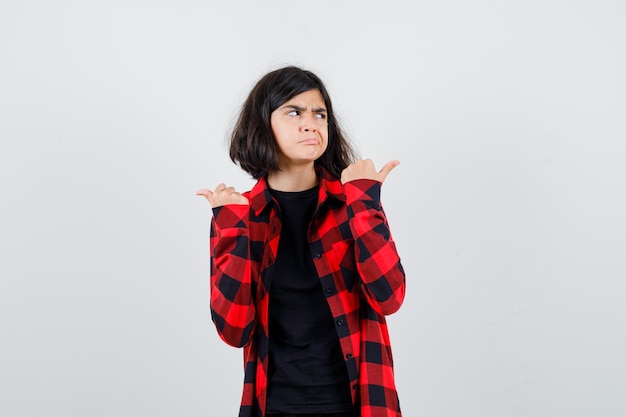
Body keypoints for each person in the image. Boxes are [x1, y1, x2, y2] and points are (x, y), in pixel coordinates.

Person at [196, 66, 406, 417]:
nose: (311, 123)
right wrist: (231, 226)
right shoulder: (241, 215)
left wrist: (366, 202)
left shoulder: (352, 203)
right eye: (294, 111)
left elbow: (389, 297)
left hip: (360, 404)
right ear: (263, 125)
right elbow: (233, 330)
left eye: (319, 113)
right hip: (275, 405)